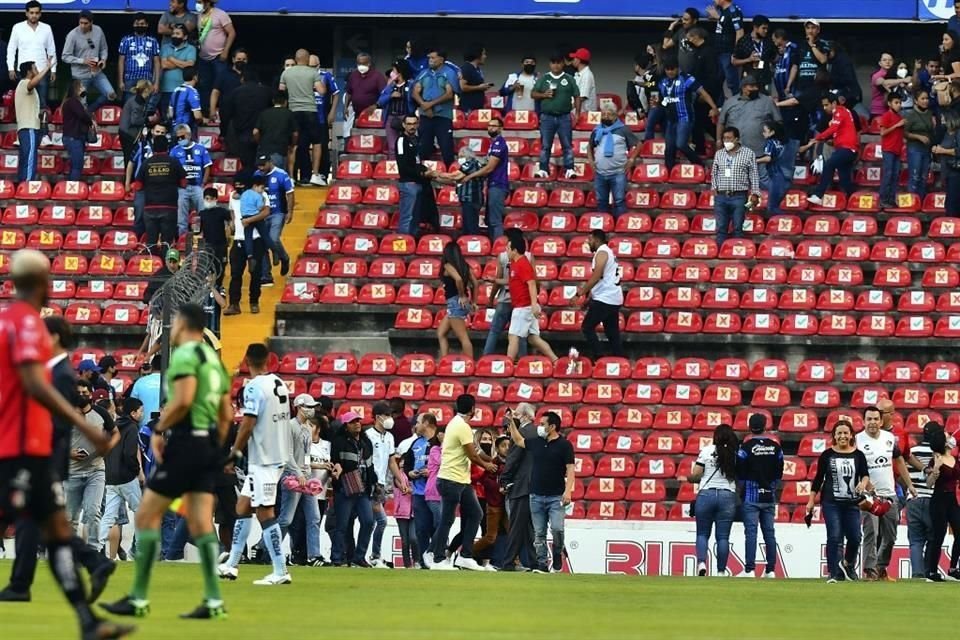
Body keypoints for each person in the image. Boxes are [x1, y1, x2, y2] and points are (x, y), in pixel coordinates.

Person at [0, 250, 131, 638]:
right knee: (48, 528)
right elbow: (33, 383)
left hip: (29, 447)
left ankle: (89, 622)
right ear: (42, 283)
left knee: (56, 531)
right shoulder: (24, 324)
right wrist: (87, 427)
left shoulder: (8, 322)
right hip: (21, 447)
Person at [102, 302, 230, 620]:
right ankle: (214, 600)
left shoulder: (186, 355)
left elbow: (183, 399)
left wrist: (160, 428)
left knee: (146, 515)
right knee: (201, 522)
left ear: (183, 324)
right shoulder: (214, 362)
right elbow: (226, 413)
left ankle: (138, 597)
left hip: (185, 444)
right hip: (206, 445)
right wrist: (214, 447)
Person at [0, 315, 116, 606]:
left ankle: (22, 583)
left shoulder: (62, 375)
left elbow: (60, 422)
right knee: (40, 521)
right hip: (42, 455)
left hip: (44, 457)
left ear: (51, 338)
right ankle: (92, 563)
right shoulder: (55, 371)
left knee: (29, 515)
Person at [217, 343, 292, 585]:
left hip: (265, 459)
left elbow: (248, 424)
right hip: (276, 454)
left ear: (246, 358)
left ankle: (280, 571)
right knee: (243, 506)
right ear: (269, 360)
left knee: (265, 512)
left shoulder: (253, 388)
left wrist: (234, 453)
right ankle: (232, 565)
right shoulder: (278, 383)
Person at [426, 394, 497, 571]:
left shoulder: (454, 424)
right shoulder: (462, 426)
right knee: (447, 519)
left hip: (459, 480)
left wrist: (491, 460)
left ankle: (465, 556)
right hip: (452, 479)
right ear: (473, 409)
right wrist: (487, 465)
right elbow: (472, 455)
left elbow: (475, 451)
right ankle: (438, 558)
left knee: (475, 514)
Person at [508, 410, 574, 573]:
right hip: (536, 495)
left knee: (557, 529)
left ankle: (557, 554)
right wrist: (511, 422)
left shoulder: (565, 445)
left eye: (543, 424)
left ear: (552, 426)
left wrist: (568, 491)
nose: (539, 427)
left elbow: (571, 470)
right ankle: (542, 564)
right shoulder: (537, 442)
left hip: (556, 496)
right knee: (539, 533)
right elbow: (518, 440)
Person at [806, 420, 871, 583]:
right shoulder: (827, 455)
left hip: (852, 503)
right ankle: (834, 573)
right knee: (834, 536)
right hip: (831, 502)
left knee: (855, 537)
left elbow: (865, 474)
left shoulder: (858, 455)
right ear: (834, 436)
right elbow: (818, 478)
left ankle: (848, 565)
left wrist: (863, 484)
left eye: (845, 433)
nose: (842, 436)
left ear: (851, 435)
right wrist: (811, 500)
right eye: (839, 433)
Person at [857, 406, 916, 582]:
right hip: (869, 496)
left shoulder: (889, 438)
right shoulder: (857, 440)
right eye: (869, 419)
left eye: (876, 419)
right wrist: (862, 484)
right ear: (864, 421)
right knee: (871, 533)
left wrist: (909, 484)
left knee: (890, 536)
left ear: (881, 421)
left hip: (890, 493)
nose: (873, 422)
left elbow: (899, 460)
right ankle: (869, 570)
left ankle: (881, 568)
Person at [64, 379, 116, 547]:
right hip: (72, 472)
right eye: (78, 393)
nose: (81, 396)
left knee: (93, 511)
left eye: (85, 393)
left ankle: (94, 549)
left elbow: (115, 433)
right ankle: (71, 551)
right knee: (70, 516)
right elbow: (53, 439)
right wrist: (68, 453)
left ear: (90, 394)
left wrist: (107, 447)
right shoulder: (65, 413)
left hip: (96, 470)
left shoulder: (101, 413)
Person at [275, 394, 323, 566]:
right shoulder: (290, 426)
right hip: (292, 478)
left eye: (312, 406)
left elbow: (307, 454)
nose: (311, 409)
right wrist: (299, 473)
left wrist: (308, 472)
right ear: (299, 407)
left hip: (305, 477)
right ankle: (266, 548)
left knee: (314, 517)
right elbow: (286, 455)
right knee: (286, 519)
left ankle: (314, 555)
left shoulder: (308, 428)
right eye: (308, 406)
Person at [686, 424, 739, 577]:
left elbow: (696, 474)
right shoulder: (735, 454)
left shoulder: (707, 451)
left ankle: (702, 563)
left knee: (702, 534)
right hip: (727, 495)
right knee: (722, 537)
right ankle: (721, 571)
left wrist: (689, 478)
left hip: (706, 495)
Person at [736, 414, 783, 578]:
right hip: (769, 495)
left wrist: (741, 489)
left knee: (751, 532)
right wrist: (772, 486)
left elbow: (740, 471)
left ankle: (749, 569)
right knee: (769, 532)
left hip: (751, 494)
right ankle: (770, 570)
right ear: (765, 426)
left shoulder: (745, 447)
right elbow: (780, 472)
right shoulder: (775, 446)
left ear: (750, 427)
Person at [327, 411, 376, 568]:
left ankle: (358, 556)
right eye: (353, 422)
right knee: (342, 525)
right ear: (345, 425)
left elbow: (370, 466)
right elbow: (335, 462)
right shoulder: (339, 442)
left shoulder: (366, 443)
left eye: (358, 421)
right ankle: (337, 558)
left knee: (368, 522)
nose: (357, 424)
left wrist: (374, 484)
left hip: (363, 489)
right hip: (345, 488)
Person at [96, 397, 144, 554]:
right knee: (141, 511)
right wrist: (136, 471)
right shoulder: (132, 428)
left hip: (111, 478)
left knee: (108, 516)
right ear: (133, 413)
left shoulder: (113, 427)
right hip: (127, 478)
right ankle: (141, 550)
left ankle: (95, 547)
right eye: (141, 411)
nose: (142, 414)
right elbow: (130, 453)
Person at [657, 57, 719, 173]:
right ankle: (669, 174)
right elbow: (661, 98)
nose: (670, 72)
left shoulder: (687, 78)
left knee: (680, 144)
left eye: (672, 69)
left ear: (677, 68)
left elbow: (703, 93)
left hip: (684, 117)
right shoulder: (663, 81)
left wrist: (714, 107)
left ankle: (701, 165)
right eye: (667, 69)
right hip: (670, 119)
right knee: (669, 147)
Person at [505, 229, 558, 362]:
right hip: (525, 306)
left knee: (513, 337)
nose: (506, 251)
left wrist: (534, 305)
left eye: (508, 248)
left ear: (515, 250)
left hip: (523, 307)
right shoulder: (515, 264)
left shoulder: (523, 264)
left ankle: (507, 365)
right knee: (533, 338)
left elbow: (532, 284)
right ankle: (555, 360)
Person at [366, 402, 407, 568]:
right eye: (387, 415)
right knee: (381, 521)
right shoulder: (368, 435)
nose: (390, 419)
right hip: (371, 484)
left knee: (373, 522)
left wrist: (401, 480)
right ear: (378, 417)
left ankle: (368, 555)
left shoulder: (389, 437)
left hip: (381, 484)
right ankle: (374, 556)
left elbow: (392, 462)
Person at [800, 92, 859, 204]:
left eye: (827, 105)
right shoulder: (841, 114)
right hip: (845, 149)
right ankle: (854, 198)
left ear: (834, 103)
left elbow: (833, 129)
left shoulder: (839, 111)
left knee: (829, 164)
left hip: (847, 149)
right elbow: (837, 132)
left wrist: (818, 137)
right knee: (844, 179)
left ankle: (818, 195)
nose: (824, 108)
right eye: (823, 105)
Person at [279, 49, 327, 187]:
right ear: (306, 59)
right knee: (317, 143)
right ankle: (315, 174)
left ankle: (291, 177)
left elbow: (281, 90)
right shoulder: (312, 73)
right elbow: (322, 91)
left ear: (296, 58)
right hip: (310, 111)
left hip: (293, 111)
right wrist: (310, 88)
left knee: (292, 145)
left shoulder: (286, 73)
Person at [457, 116, 509, 240]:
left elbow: (489, 168)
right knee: (490, 219)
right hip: (492, 184)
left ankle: (498, 247)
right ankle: (493, 245)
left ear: (501, 128)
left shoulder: (499, 144)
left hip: (498, 184)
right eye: (489, 125)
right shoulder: (493, 144)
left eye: (494, 125)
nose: (491, 128)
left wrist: (470, 176)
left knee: (495, 220)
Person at [500, 403, 537, 570]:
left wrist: (504, 480)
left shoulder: (521, 433)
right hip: (536, 486)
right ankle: (533, 562)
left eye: (516, 413)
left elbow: (513, 459)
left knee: (515, 527)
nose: (514, 415)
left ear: (524, 416)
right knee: (529, 528)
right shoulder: (539, 433)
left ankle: (508, 562)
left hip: (521, 487)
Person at [575, 230, 624, 358]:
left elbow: (596, 276)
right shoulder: (607, 252)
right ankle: (619, 358)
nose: (588, 242)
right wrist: (590, 298)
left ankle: (599, 356)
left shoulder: (602, 252)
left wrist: (581, 293)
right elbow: (602, 278)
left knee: (587, 327)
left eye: (590, 240)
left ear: (596, 240)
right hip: (613, 297)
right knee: (611, 331)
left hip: (606, 298)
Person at [711, 126, 761, 245]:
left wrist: (755, 193)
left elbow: (753, 174)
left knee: (738, 227)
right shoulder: (719, 154)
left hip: (739, 196)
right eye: (724, 139)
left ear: (737, 139)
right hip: (721, 196)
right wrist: (714, 188)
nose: (726, 141)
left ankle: (735, 253)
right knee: (721, 228)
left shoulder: (748, 153)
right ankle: (720, 253)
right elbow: (714, 172)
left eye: (729, 138)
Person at [532, 54, 579, 180]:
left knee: (567, 145)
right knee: (545, 145)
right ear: (550, 64)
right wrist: (543, 95)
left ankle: (569, 169)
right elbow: (533, 94)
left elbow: (577, 95)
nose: (556, 65)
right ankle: (543, 169)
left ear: (563, 64)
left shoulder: (569, 78)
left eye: (558, 63)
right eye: (553, 63)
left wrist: (578, 113)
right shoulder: (544, 78)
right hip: (547, 117)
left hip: (564, 117)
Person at [587, 103, 639, 218]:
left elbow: (638, 144)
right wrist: (591, 161)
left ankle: (619, 227)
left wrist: (631, 160)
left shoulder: (623, 129)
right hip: (600, 173)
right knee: (601, 201)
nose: (606, 117)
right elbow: (589, 146)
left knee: (619, 200)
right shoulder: (596, 130)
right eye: (603, 114)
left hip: (618, 173)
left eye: (609, 114)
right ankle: (604, 226)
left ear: (615, 116)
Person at [224, 173, 264, 316]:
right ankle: (234, 304)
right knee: (235, 274)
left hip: (255, 239)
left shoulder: (259, 195)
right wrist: (233, 225)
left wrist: (249, 221)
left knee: (255, 273)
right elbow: (232, 212)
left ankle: (254, 302)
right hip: (239, 240)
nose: (238, 189)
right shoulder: (232, 196)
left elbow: (263, 213)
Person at [135, 133, 186, 246]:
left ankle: (154, 262)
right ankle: (165, 263)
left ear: (153, 147)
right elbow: (184, 183)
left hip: (150, 208)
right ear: (167, 148)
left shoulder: (146, 163)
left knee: (151, 242)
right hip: (169, 208)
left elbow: (137, 186)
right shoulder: (174, 162)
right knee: (167, 243)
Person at [403, 413, 440, 567]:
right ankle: (424, 561)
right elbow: (407, 465)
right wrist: (410, 473)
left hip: (437, 493)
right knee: (421, 529)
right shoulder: (416, 443)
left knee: (439, 527)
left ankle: (439, 558)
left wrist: (431, 473)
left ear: (426, 423)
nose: (415, 426)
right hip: (419, 493)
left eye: (417, 422)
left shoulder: (441, 441)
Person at [482, 237, 529, 358]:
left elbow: (499, 281)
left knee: (494, 332)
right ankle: (522, 362)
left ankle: (485, 358)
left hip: (505, 299)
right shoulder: (528, 257)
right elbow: (532, 282)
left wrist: (491, 299)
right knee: (521, 334)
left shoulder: (503, 257)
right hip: (520, 302)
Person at [924, 428, 960, 582]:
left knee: (959, 533)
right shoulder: (936, 460)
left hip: (953, 499)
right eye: (947, 437)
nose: (950, 439)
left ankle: (953, 569)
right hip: (939, 499)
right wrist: (936, 468)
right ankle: (932, 571)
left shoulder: (954, 459)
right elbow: (929, 483)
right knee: (938, 536)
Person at [61, 10, 115, 112]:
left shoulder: (98, 30)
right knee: (82, 104)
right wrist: (83, 61)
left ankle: (90, 111)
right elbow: (65, 56)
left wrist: (103, 59)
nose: (83, 26)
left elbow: (104, 48)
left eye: (85, 23)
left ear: (91, 22)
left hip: (96, 72)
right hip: (80, 75)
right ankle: (86, 119)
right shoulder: (72, 35)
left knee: (111, 94)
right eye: (80, 23)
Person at [715, 74, 780, 159]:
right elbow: (721, 122)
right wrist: (719, 141)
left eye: (756, 86)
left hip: (759, 153)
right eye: (752, 86)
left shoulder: (767, 101)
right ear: (743, 87)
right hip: (734, 152)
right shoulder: (730, 102)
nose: (755, 89)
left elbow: (779, 123)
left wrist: (772, 135)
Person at [7, 1, 56, 111]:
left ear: (40, 14)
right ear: (26, 13)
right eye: (31, 12)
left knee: (42, 104)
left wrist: (53, 70)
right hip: (24, 72)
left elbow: (51, 50)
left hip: (42, 71)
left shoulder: (46, 28)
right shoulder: (17, 27)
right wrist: (11, 68)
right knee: (24, 103)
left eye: (37, 13)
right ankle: (26, 127)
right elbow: (11, 49)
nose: (34, 15)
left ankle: (41, 128)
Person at [220, 69, 272, 171]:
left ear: (242, 79)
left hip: (242, 133)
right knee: (262, 165)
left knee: (246, 165)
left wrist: (223, 132)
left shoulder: (235, 92)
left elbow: (225, 113)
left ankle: (248, 183)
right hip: (262, 134)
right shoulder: (267, 91)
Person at [253, 154, 295, 282]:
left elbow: (290, 194)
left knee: (273, 239)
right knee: (261, 243)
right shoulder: (257, 174)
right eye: (259, 165)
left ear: (270, 162)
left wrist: (290, 212)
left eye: (263, 165)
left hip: (277, 212)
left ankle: (284, 257)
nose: (261, 168)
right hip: (261, 212)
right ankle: (266, 275)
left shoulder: (281, 175)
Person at [413, 48, 456, 166]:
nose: (430, 61)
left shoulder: (449, 73)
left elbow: (449, 94)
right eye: (429, 58)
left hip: (443, 117)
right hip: (425, 116)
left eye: (432, 58)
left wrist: (430, 105)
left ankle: (449, 176)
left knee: (446, 148)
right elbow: (415, 91)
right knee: (423, 148)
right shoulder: (423, 73)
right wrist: (424, 106)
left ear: (441, 60)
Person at [473, 434, 510, 567]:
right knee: (490, 537)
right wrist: (499, 488)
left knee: (512, 534)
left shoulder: (513, 463)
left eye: (508, 446)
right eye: (503, 446)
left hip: (508, 504)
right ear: (497, 448)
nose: (506, 448)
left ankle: (512, 561)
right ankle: (468, 552)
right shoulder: (494, 463)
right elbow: (485, 480)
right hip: (494, 504)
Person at [907, 422, 938, 579]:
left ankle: (917, 575)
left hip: (913, 498)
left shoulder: (912, 451)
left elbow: (902, 475)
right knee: (933, 538)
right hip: (932, 499)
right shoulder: (938, 454)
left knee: (916, 540)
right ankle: (928, 572)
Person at [396, 114, 436, 236]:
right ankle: (403, 243)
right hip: (408, 183)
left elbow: (416, 162)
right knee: (407, 217)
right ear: (403, 125)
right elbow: (403, 165)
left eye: (414, 124)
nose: (412, 127)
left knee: (415, 217)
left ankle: (412, 242)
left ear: (418, 124)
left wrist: (423, 170)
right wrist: (422, 172)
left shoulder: (416, 140)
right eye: (409, 124)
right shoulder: (401, 140)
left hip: (419, 183)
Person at [437, 242, 478, 359]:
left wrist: (462, 296)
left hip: (456, 303)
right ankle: (444, 360)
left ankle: (470, 363)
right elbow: (475, 283)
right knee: (441, 333)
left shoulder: (448, 265)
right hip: (457, 304)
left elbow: (458, 279)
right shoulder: (464, 265)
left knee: (463, 337)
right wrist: (474, 302)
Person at [14, 58, 51, 183]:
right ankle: (27, 185)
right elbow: (33, 83)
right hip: (29, 128)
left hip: (26, 127)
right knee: (29, 158)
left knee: (25, 157)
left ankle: (22, 184)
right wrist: (47, 68)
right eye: (35, 68)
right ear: (29, 72)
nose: (37, 70)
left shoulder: (23, 86)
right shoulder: (25, 83)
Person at [170, 124, 212, 236]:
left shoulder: (201, 148)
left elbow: (207, 167)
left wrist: (203, 183)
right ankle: (182, 240)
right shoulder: (174, 151)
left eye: (182, 137)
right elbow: (172, 169)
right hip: (182, 188)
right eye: (178, 137)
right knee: (181, 217)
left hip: (198, 187)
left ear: (189, 135)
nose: (180, 139)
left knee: (203, 213)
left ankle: (204, 236)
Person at [195, 0, 235, 115]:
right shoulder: (199, 15)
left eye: (199, 1)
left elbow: (232, 33)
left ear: (207, 2)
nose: (197, 4)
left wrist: (225, 51)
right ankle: (206, 113)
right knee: (204, 85)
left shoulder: (220, 14)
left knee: (220, 85)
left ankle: (222, 111)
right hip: (203, 57)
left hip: (218, 57)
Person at [117, 13, 160, 108]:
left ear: (147, 25)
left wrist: (156, 83)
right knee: (129, 105)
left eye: (142, 24)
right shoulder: (126, 40)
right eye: (137, 24)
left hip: (146, 78)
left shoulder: (153, 41)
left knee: (145, 105)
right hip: (129, 78)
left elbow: (157, 62)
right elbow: (121, 61)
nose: (139, 26)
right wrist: (121, 81)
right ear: (133, 24)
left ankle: (143, 123)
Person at [377, 58, 417, 159]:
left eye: (394, 70)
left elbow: (416, 101)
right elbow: (380, 101)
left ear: (400, 72)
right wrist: (390, 96)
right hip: (391, 118)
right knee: (392, 147)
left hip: (406, 118)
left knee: (409, 145)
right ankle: (394, 170)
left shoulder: (411, 84)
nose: (392, 73)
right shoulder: (390, 86)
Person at [253, 90, 298, 172]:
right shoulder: (288, 113)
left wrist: (259, 142)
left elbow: (255, 132)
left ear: (273, 101)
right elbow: (295, 134)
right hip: (280, 151)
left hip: (263, 151)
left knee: (263, 178)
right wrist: (292, 144)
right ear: (286, 102)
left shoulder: (264, 113)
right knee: (277, 177)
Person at [158, 25, 195, 119]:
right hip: (166, 89)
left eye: (178, 34)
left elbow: (190, 65)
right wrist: (183, 63)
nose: (174, 36)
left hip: (183, 90)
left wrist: (172, 59)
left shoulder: (191, 48)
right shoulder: (165, 47)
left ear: (185, 37)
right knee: (166, 119)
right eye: (173, 33)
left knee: (181, 118)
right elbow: (164, 65)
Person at [61, 80, 95, 181]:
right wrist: (91, 122)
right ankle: (73, 189)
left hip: (74, 137)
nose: (84, 88)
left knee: (75, 165)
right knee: (77, 166)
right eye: (81, 87)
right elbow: (82, 116)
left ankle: (71, 187)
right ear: (76, 89)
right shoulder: (73, 102)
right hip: (74, 138)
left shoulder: (71, 102)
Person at [904, 89, 935, 199]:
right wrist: (918, 137)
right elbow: (905, 133)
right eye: (923, 98)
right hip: (914, 148)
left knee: (923, 177)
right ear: (916, 101)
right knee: (915, 176)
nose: (925, 101)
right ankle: (912, 201)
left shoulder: (930, 114)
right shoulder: (910, 115)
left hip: (926, 149)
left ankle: (920, 201)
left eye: (927, 98)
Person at [731, 15, 775, 89]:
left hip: (765, 80)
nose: (766, 31)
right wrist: (748, 59)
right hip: (749, 81)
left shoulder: (768, 42)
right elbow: (734, 62)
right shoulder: (743, 41)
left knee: (766, 100)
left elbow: (774, 58)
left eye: (767, 28)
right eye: (763, 28)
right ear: (755, 27)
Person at [877, 92, 905, 209]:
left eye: (900, 103)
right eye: (896, 102)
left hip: (897, 150)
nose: (898, 105)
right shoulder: (886, 116)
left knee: (895, 175)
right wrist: (897, 125)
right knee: (888, 174)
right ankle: (883, 199)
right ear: (889, 103)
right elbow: (882, 132)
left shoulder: (900, 117)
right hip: (888, 149)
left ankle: (891, 199)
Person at [199, 186, 231, 283]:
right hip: (208, 245)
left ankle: (219, 285)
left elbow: (230, 223)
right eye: (207, 199)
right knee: (209, 266)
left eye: (211, 199)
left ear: (216, 199)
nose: (209, 201)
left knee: (221, 265)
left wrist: (229, 235)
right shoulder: (202, 214)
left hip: (221, 244)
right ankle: (210, 287)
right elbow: (198, 230)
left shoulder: (222, 212)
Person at [118, 80, 153, 166]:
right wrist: (148, 119)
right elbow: (135, 120)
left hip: (125, 131)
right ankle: (128, 178)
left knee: (129, 157)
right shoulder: (138, 102)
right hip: (128, 133)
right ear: (146, 90)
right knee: (129, 158)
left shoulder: (135, 98)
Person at [756, 119, 787, 215]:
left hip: (775, 173)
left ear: (772, 132)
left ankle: (778, 220)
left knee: (772, 205)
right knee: (775, 200)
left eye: (765, 131)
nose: (763, 133)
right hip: (782, 173)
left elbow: (768, 158)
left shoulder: (770, 143)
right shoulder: (781, 142)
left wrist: (755, 161)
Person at [933, 112, 960, 218]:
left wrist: (942, 150)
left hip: (956, 172)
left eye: (945, 119)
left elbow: (958, 151)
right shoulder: (945, 133)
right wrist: (936, 149)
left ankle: (954, 224)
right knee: (949, 201)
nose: (943, 121)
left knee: (953, 202)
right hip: (947, 172)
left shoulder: (958, 133)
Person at [209, 47, 245, 123]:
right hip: (227, 112)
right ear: (233, 59)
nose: (241, 61)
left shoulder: (251, 74)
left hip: (245, 112)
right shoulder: (224, 74)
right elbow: (215, 92)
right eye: (239, 59)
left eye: (244, 59)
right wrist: (212, 110)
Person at [128, 354, 161, 429]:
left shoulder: (140, 382)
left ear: (152, 367)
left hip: (143, 428)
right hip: (166, 428)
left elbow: (132, 405)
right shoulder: (172, 382)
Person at [459, 44, 493, 114]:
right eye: (483, 54)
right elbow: (463, 87)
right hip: (469, 108)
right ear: (477, 55)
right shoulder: (467, 68)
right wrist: (479, 87)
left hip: (477, 107)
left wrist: (483, 87)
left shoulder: (476, 69)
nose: (485, 56)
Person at [170, 67, 202, 137]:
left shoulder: (175, 90)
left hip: (175, 128)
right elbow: (197, 116)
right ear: (195, 77)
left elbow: (170, 114)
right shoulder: (192, 91)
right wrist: (202, 121)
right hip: (187, 129)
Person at [570, 47, 596, 113]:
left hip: (584, 114)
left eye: (574, 58)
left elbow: (582, 98)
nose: (572, 60)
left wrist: (567, 109)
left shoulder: (587, 75)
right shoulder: (579, 74)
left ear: (579, 60)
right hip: (576, 112)